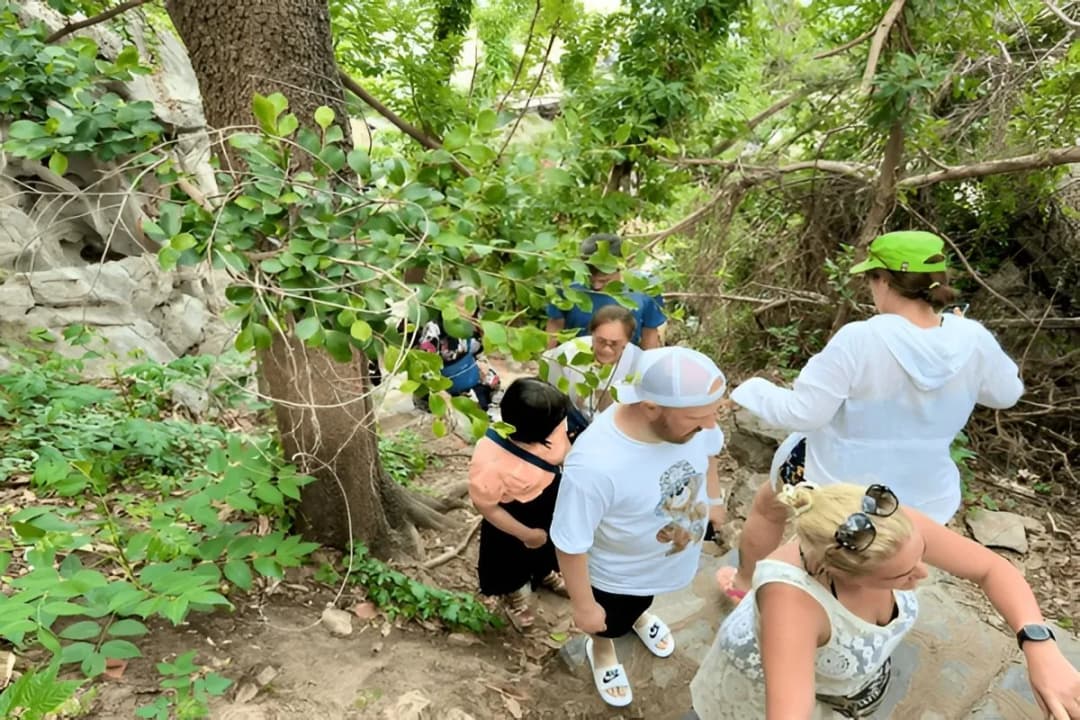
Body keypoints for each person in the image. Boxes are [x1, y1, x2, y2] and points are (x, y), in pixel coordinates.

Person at [717, 230, 1024, 599]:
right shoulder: (971, 337)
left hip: (838, 485)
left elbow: (805, 413)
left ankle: (745, 584)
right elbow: (1006, 395)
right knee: (886, 556)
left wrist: (752, 388)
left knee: (770, 507)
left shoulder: (859, 338)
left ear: (883, 281)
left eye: (871, 279)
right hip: (922, 493)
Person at [690, 482, 1080, 720]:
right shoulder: (791, 607)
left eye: (920, 556)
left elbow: (990, 570)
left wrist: (1040, 646)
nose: (923, 574)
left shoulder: (885, 525)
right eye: (900, 576)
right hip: (760, 687)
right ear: (836, 571)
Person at [550, 347, 727, 707]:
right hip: (618, 576)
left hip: (664, 560)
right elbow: (570, 543)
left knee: (640, 601)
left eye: (714, 414)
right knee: (610, 619)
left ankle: (639, 614)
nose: (710, 425)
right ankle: (601, 649)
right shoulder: (595, 465)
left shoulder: (693, 425)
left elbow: (709, 451)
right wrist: (584, 606)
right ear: (650, 407)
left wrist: (714, 498)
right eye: (698, 417)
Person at [469, 378, 572, 630]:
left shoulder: (550, 429)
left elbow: (565, 450)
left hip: (546, 497)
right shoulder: (490, 461)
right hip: (512, 516)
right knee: (509, 561)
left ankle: (544, 572)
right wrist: (524, 533)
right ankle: (514, 591)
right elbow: (487, 507)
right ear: (538, 433)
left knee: (547, 543)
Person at [545, 233, 666, 350]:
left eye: (604, 281)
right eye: (590, 280)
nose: (596, 286)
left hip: (624, 361)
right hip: (575, 359)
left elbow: (649, 333)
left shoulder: (645, 289)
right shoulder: (567, 287)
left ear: (620, 267)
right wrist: (545, 360)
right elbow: (555, 325)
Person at [542, 304, 643, 429]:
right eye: (601, 341)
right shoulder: (567, 354)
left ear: (627, 341)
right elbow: (549, 396)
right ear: (592, 334)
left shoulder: (639, 363)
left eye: (614, 344)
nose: (607, 349)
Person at [411, 288, 500, 412]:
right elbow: (424, 367)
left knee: (492, 380)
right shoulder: (435, 328)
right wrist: (440, 390)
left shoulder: (474, 326)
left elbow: (479, 354)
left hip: (465, 373)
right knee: (445, 405)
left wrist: (482, 364)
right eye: (462, 305)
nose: (467, 310)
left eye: (471, 306)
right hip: (440, 379)